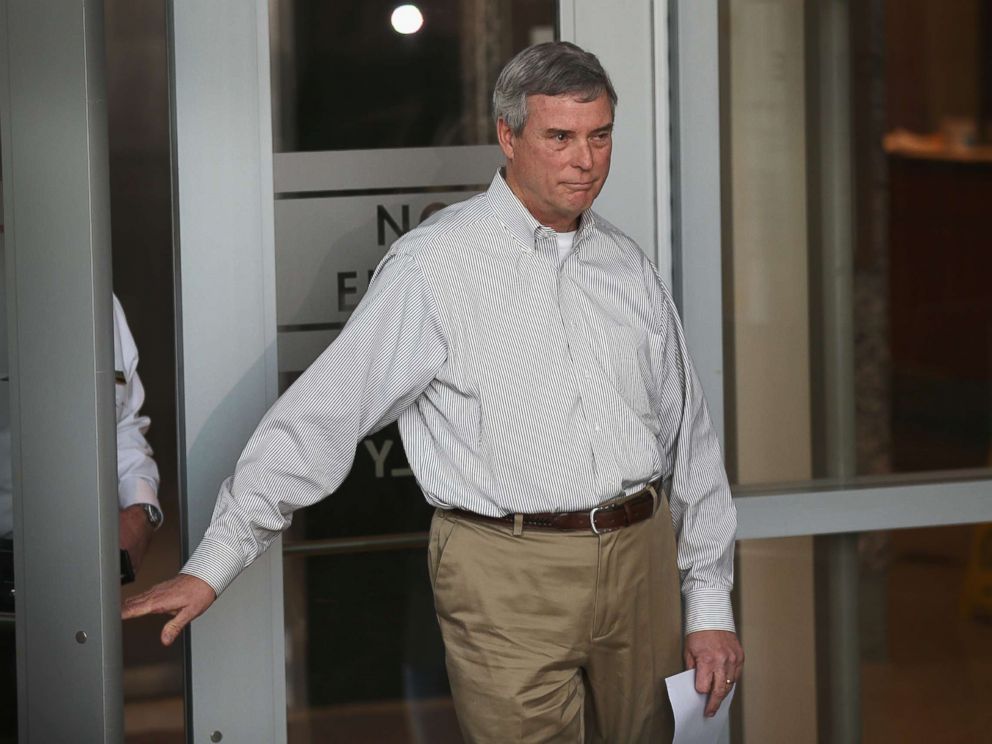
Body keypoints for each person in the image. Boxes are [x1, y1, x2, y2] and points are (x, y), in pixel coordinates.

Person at [123, 41, 743, 742]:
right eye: (560, 137)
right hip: (504, 572)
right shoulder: (436, 265)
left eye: (600, 136)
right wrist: (214, 562)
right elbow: (323, 415)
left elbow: (689, 441)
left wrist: (710, 606)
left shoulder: (627, 264)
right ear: (507, 136)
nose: (586, 159)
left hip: (642, 562)